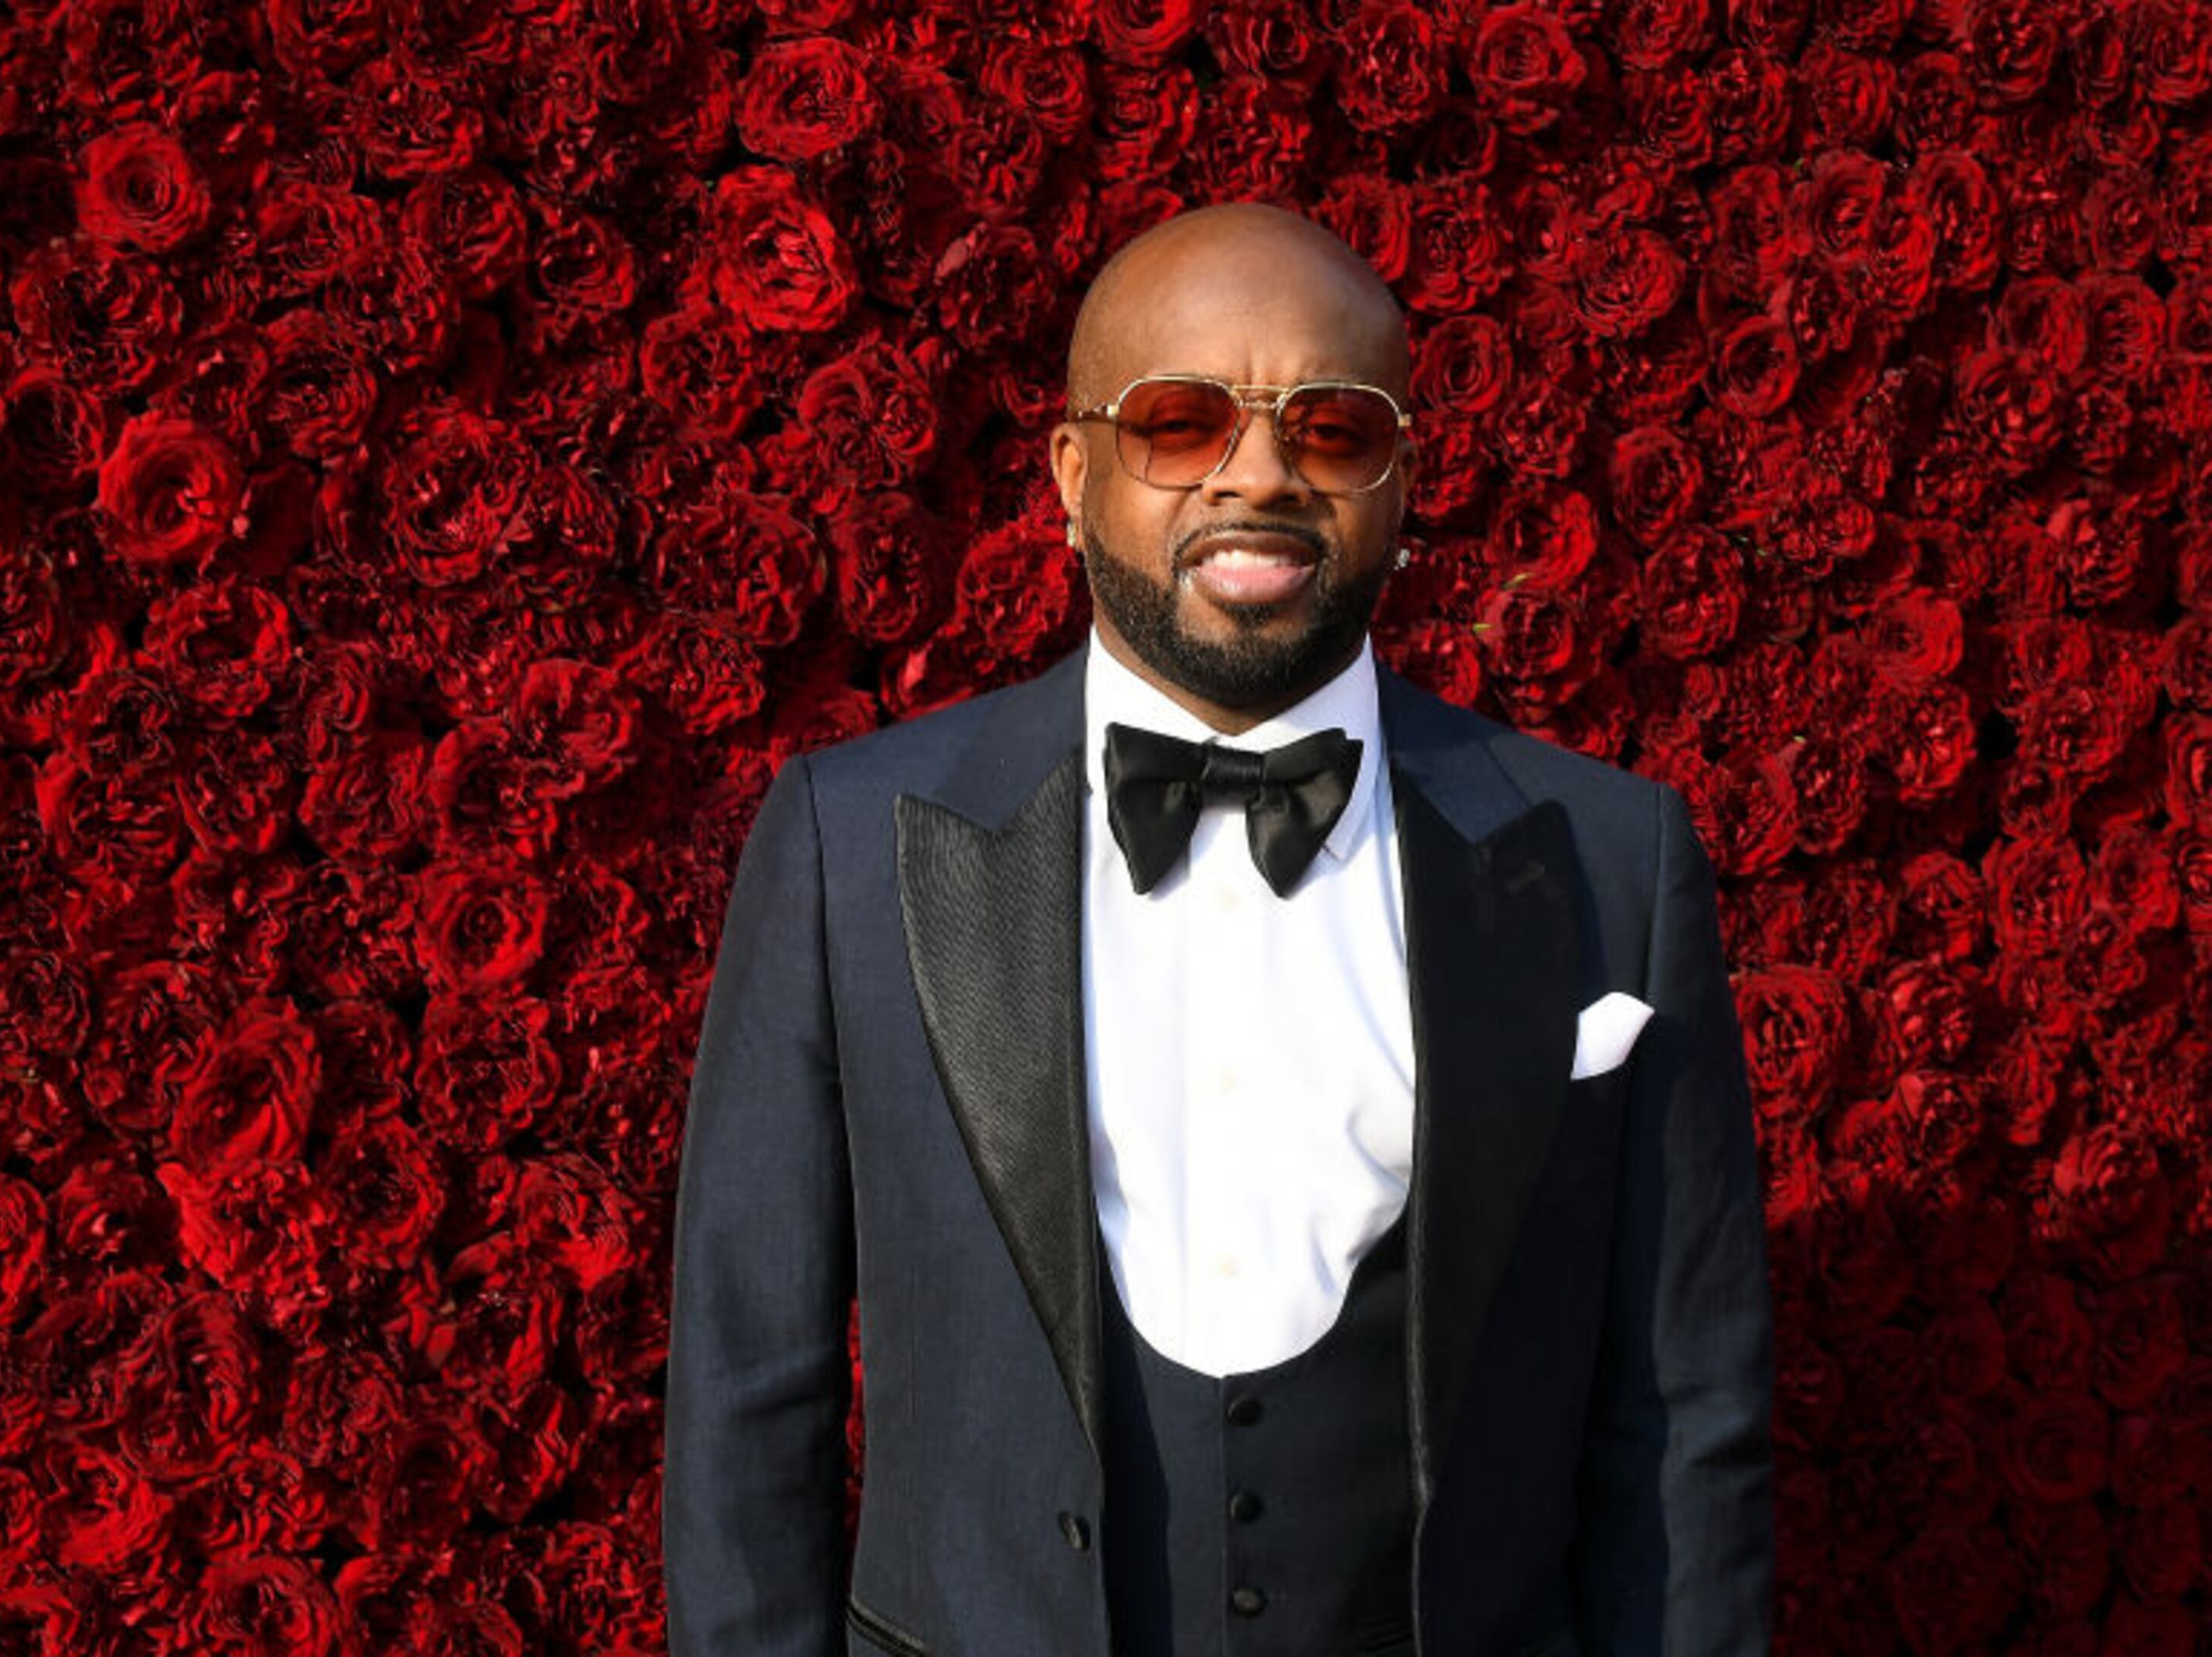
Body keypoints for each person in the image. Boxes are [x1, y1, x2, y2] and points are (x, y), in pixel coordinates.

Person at [661, 203, 1772, 1656]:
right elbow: (753, 1383)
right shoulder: (845, 844)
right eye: (1179, 424)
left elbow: (1685, 1409)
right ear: (1072, 472)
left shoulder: (1612, 858)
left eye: (1330, 428)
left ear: (1401, 476)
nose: (1258, 475)